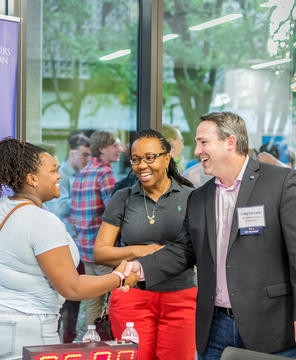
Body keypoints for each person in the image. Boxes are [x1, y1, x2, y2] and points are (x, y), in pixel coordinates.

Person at [124, 111, 296, 359]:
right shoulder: (199, 196)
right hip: (215, 328)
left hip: (271, 325)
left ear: (230, 142)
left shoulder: (280, 183)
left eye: (203, 142)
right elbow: (184, 250)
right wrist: (139, 268)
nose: (196, 151)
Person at [0, 137, 137, 360]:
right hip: (25, 327)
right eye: (53, 170)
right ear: (32, 178)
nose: (59, 175)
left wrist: (9, 290)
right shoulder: (42, 221)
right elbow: (72, 288)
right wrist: (120, 278)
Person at [93, 129, 197, 360]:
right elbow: (100, 252)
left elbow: (196, 249)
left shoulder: (191, 196)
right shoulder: (123, 197)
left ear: (167, 158)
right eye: (136, 159)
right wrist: (141, 251)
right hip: (132, 297)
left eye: (150, 158)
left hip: (181, 298)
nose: (142, 165)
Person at [70, 130, 123, 326]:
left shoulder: (82, 173)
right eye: (115, 145)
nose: (120, 149)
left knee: (93, 302)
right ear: (102, 149)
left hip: (85, 250)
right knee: (115, 302)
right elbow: (115, 213)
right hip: (103, 251)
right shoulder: (105, 173)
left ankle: (90, 343)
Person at [45, 133, 90, 343]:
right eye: (83, 154)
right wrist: (84, 196)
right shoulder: (62, 175)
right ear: (72, 152)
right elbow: (59, 208)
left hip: (76, 245)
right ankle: (60, 341)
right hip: (60, 245)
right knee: (62, 301)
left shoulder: (80, 174)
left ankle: (69, 341)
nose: (87, 159)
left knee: (73, 303)